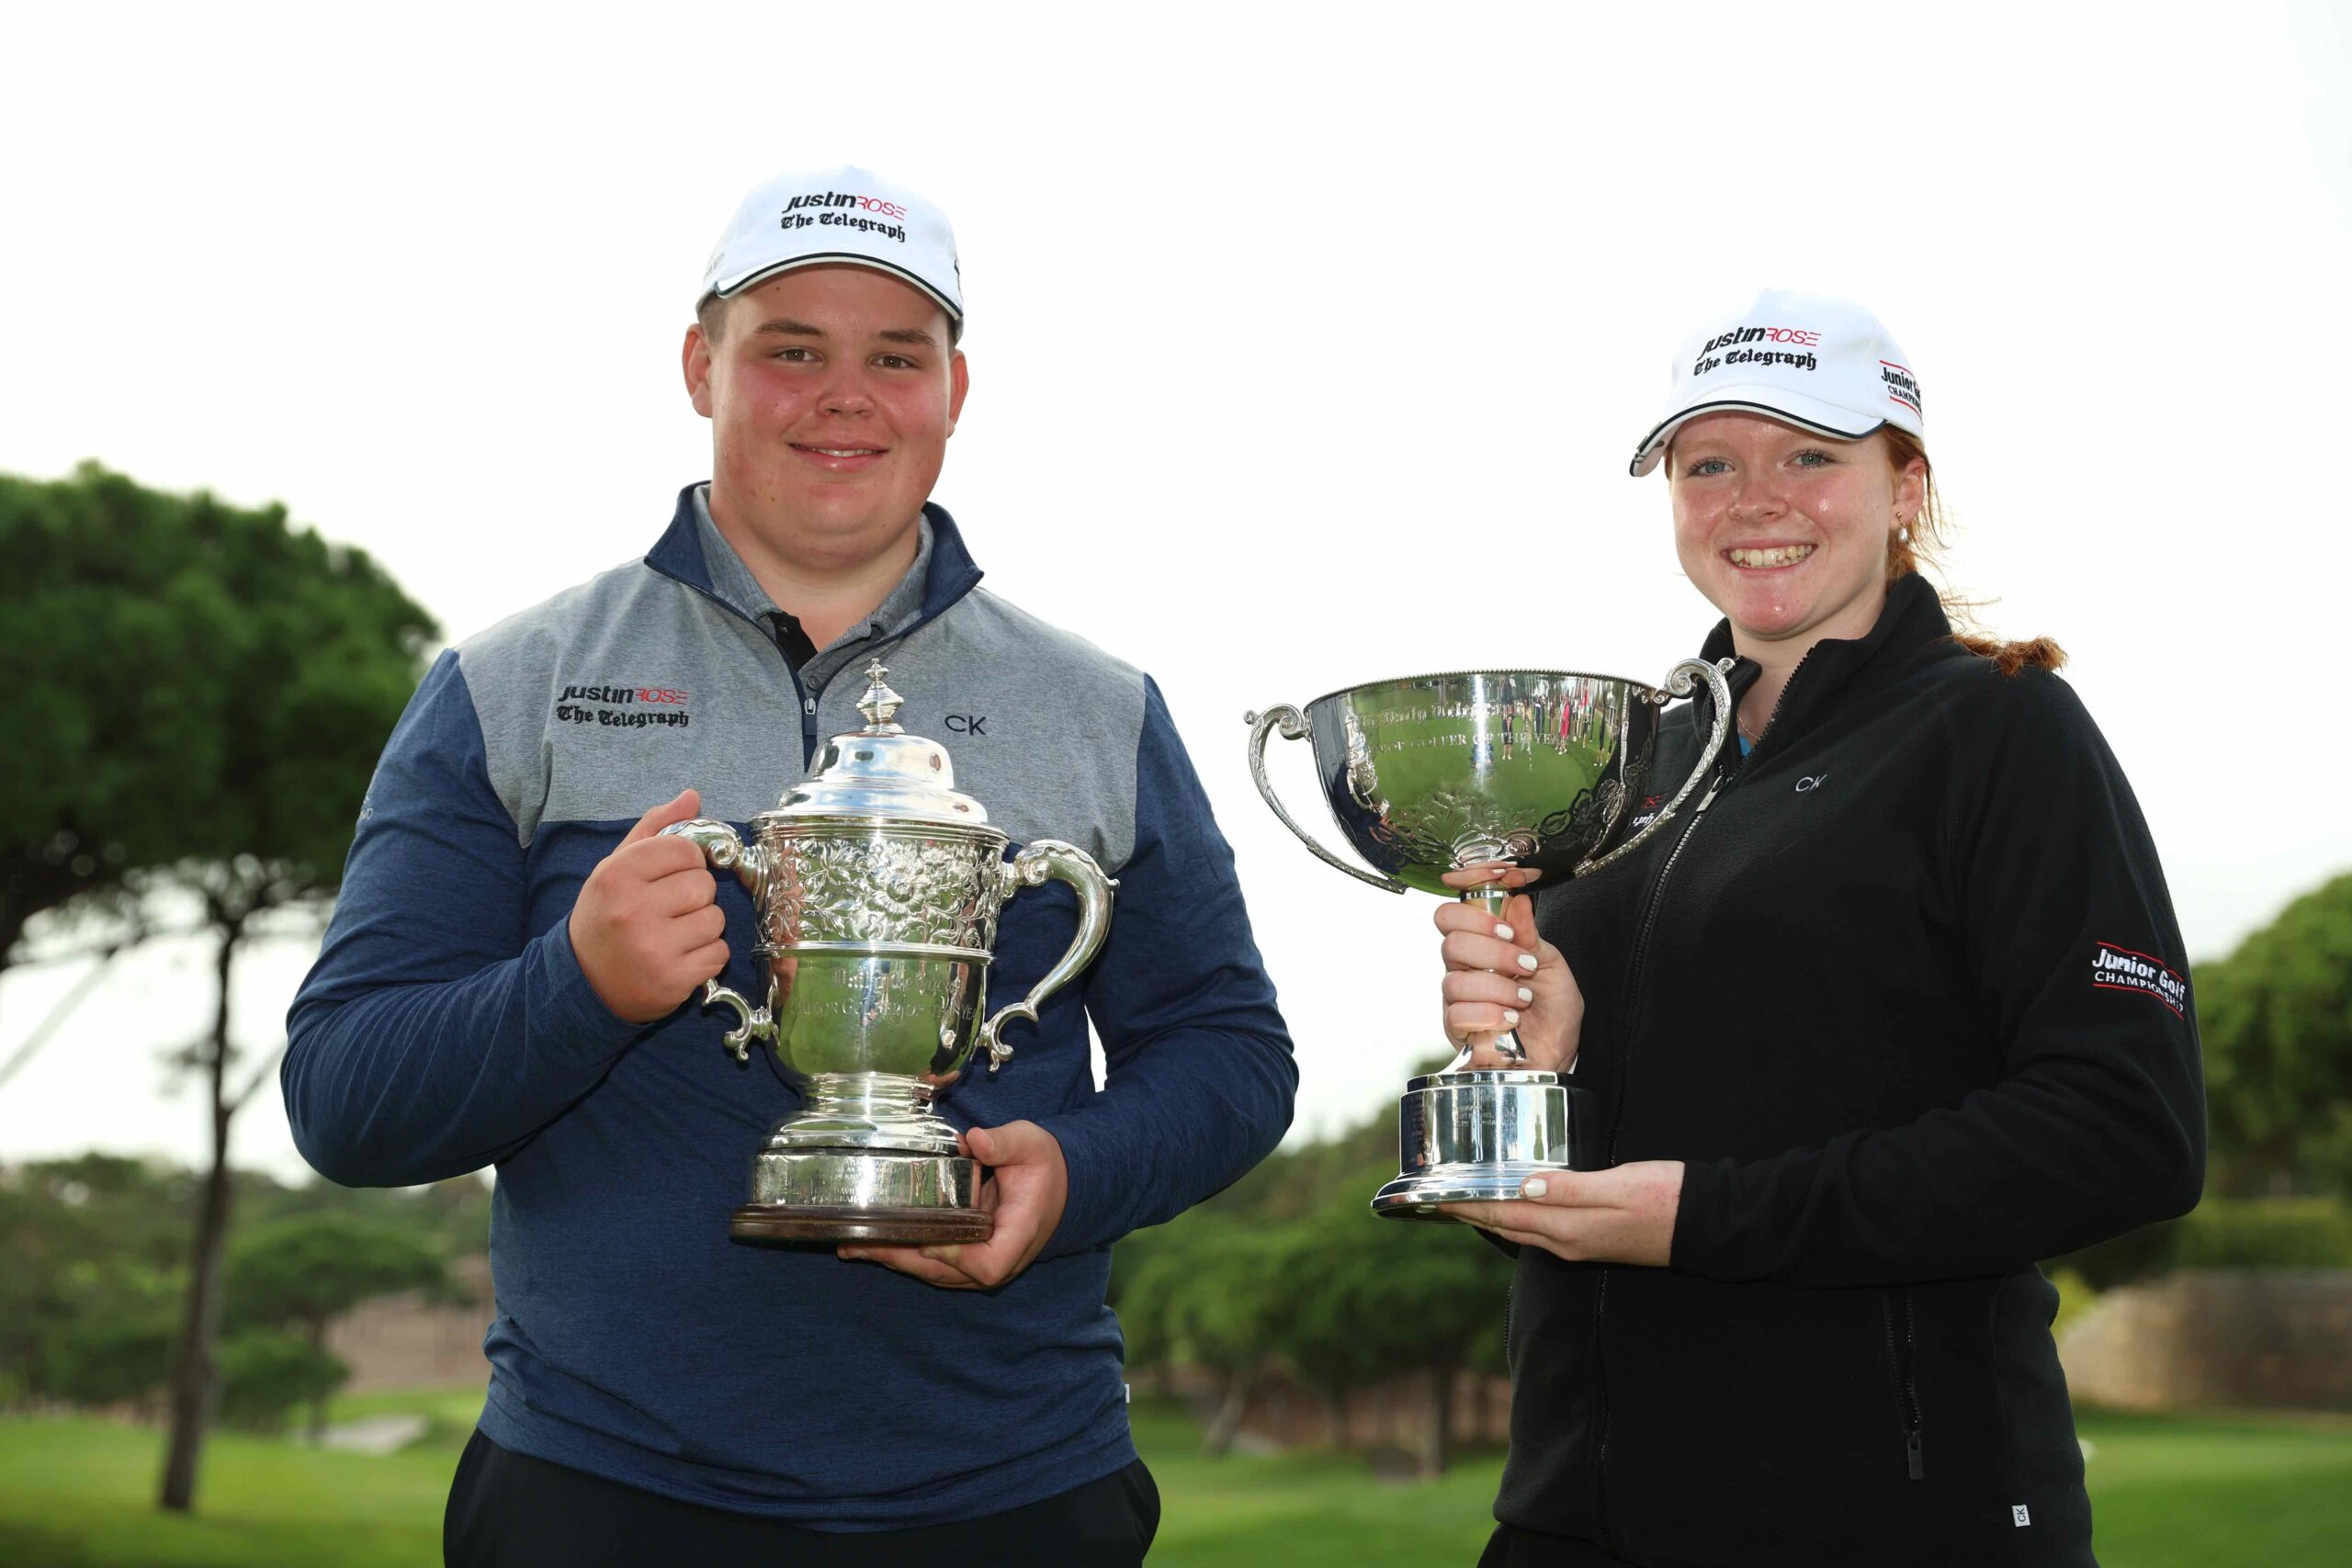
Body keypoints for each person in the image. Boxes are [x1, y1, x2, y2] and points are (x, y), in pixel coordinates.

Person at [282, 164, 1296, 1566]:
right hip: (601, 1495)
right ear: (700, 367)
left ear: (956, 389)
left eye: (897, 357)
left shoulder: (1100, 707)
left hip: (1016, 1494)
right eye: (792, 351)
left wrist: (1080, 1172)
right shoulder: (508, 688)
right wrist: (577, 983)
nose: (846, 398)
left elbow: (1232, 1054)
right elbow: (346, 1099)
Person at [1431, 288, 2202, 1568]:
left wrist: (1703, 1218)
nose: (1754, 500)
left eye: (1809, 456)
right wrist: (1544, 1065)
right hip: (1574, 1512)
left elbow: (2127, 1134)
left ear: (1906, 487)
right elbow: (1701, 1090)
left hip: (1898, 1518)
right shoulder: (1627, 767)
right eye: (1709, 465)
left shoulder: (1999, 729)